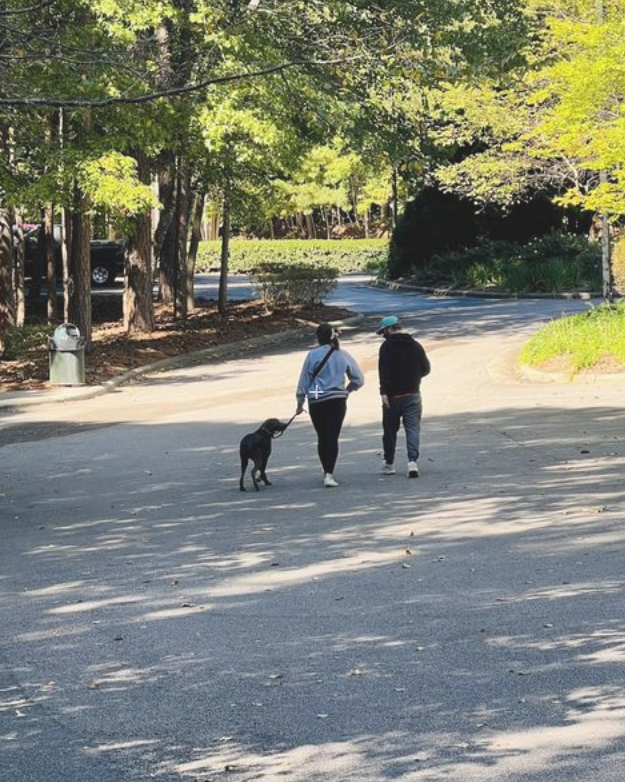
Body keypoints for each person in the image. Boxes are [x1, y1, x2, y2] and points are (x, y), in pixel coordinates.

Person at [296, 323, 364, 487]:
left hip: (317, 398)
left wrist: (300, 402)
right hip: (337, 399)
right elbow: (358, 379)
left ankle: (325, 469)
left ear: (318, 338)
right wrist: (347, 390)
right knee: (332, 436)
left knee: (322, 436)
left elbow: (304, 380)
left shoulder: (312, 355)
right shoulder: (343, 354)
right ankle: (329, 474)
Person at [376, 315, 430, 478]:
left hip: (393, 396)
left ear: (388, 329)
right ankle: (412, 462)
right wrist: (413, 377)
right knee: (412, 428)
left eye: (383, 332)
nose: (383, 335)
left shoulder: (386, 347)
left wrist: (383, 392)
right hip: (413, 394)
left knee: (390, 431)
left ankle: (389, 463)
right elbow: (426, 369)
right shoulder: (415, 345)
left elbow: (384, 372)